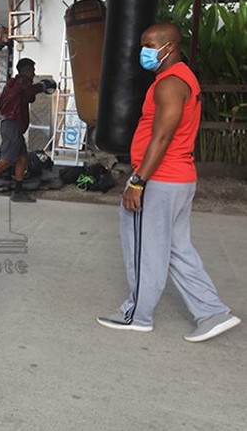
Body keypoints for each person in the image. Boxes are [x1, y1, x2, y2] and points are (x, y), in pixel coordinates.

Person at [97, 23, 241, 342]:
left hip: (160, 179)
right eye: (142, 44)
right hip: (178, 178)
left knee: (145, 249)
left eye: (149, 45)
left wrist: (137, 181)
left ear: (170, 47)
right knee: (177, 249)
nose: (142, 52)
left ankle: (138, 315)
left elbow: (162, 136)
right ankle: (212, 312)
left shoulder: (170, 83)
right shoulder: (179, 79)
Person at [0, 58, 55, 208]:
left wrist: (37, 89)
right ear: (26, 70)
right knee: (7, 160)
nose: (34, 73)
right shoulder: (21, 82)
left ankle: (18, 192)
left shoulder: (16, 84)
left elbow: (29, 97)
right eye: (32, 70)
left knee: (22, 159)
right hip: (11, 125)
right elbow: (29, 91)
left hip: (13, 126)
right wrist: (42, 86)